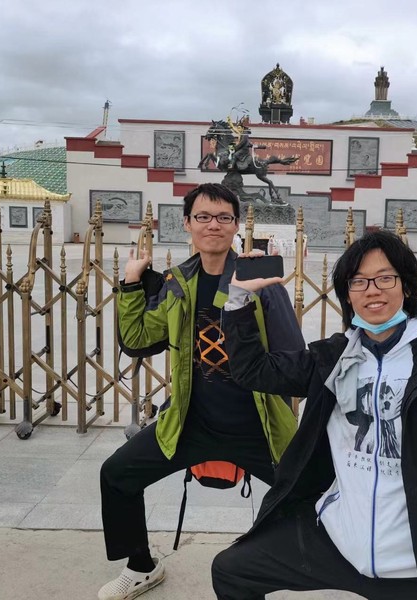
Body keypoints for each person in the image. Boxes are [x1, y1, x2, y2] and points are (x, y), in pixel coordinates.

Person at [212, 230, 417, 600]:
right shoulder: (332, 359)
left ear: (406, 286)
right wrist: (238, 298)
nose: (372, 291)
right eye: (358, 281)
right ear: (347, 295)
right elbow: (253, 371)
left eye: (385, 278)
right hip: (338, 541)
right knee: (232, 570)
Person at [97, 183, 304, 600]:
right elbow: (137, 339)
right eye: (203, 217)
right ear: (187, 223)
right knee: (116, 475)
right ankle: (141, 566)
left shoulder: (257, 278)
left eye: (224, 217)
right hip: (190, 422)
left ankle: (321, 569)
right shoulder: (177, 282)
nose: (214, 225)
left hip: (257, 426)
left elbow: (293, 360)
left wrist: (262, 302)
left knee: (313, 495)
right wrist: (131, 282)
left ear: (236, 225)